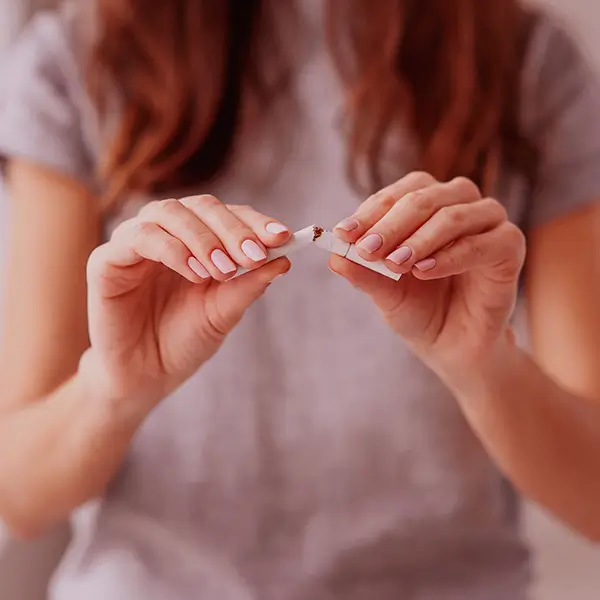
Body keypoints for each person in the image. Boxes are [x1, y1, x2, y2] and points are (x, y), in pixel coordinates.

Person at [0, 0, 599, 598]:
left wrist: (486, 367)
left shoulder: (529, 64)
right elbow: (17, 494)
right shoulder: (78, 60)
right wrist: (114, 389)